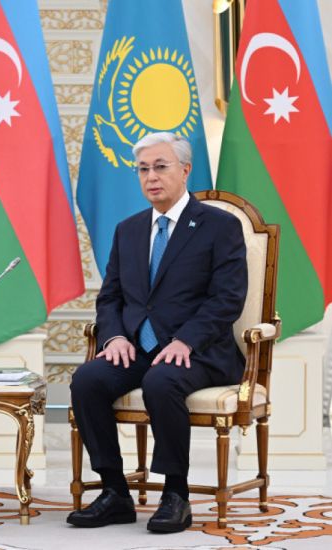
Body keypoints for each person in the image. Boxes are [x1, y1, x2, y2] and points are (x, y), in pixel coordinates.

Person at [67, 132, 247, 533]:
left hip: (200, 350)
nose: (151, 177)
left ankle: (175, 495)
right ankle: (115, 492)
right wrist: (114, 337)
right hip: (138, 347)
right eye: (143, 169)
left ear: (185, 170)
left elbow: (227, 298)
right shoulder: (128, 230)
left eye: (161, 167)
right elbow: (110, 297)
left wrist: (186, 340)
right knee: (88, 379)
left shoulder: (220, 226)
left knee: (162, 381)